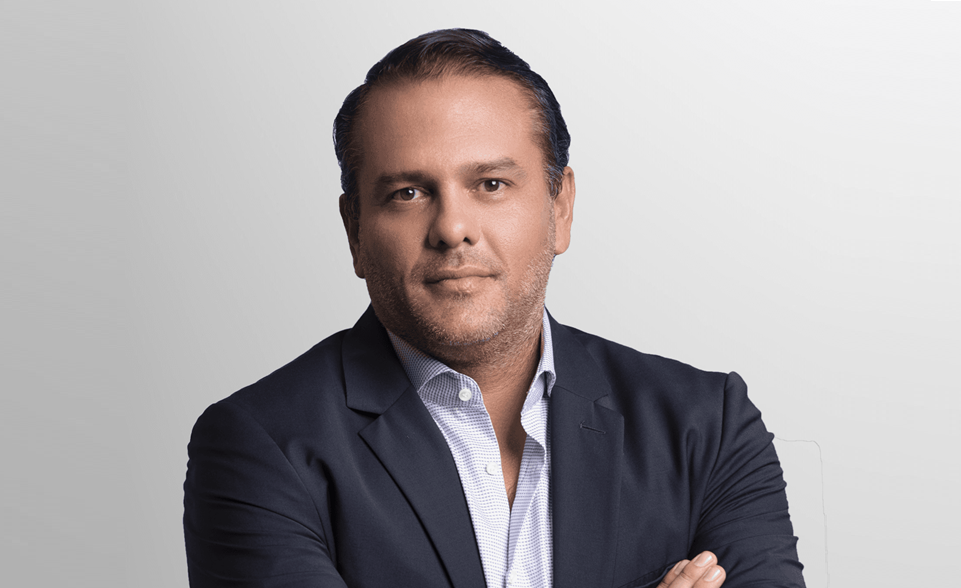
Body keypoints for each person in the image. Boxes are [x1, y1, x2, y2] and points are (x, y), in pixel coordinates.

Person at [183, 28, 805, 588]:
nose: (452, 227)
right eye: (408, 192)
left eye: (491, 184)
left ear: (560, 208)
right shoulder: (259, 448)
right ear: (355, 232)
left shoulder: (707, 426)